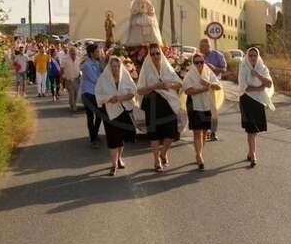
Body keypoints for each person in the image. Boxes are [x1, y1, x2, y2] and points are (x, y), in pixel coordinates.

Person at [137, 43, 182, 172]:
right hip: (152, 104)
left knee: (171, 133)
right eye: (152, 54)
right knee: (154, 134)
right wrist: (154, 86)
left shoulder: (167, 67)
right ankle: (156, 160)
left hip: (168, 103)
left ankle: (163, 153)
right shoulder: (146, 69)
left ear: (161, 54)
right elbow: (140, 90)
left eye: (157, 53)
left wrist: (169, 85)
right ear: (149, 56)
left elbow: (179, 83)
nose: (155, 56)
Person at [95, 56, 137, 175]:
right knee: (112, 138)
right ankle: (113, 165)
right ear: (109, 66)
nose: (116, 68)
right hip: (109, 113)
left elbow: (133, 91)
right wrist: (109, 99)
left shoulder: (125, 76)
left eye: (118, 66)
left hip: (124, 111)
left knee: (120, 138)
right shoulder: (103, 78)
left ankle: (119, 159)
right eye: (113, 66)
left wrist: (121, 98)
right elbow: (98, 94)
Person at [183, 52, 223, 171]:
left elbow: (218, 86)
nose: (199, 64)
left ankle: (199, 153)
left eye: (201, 62)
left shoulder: (208, 72)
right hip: (194, 106)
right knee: (197, 132)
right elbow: (187, 91)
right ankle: (199, 156)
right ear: (193, 63)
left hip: (207, 105)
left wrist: (208, 84)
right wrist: (203, 89)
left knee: (205, 132)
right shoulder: (189, 75)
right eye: (197, 62)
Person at [238, 47, 275, 168]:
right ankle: (253, 154)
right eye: (250, 55)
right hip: (246, 101)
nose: (253, 58)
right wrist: (259, 88)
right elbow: (244, 87)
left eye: (255, 55)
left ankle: (250, 152)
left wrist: (258, 75)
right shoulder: (243, 67)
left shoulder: (262, 68)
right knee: (251, 129)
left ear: (258, 56)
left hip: (259, 101)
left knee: (255, 130)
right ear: (247, 56)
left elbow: (269, 84)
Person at [198, 38, 227, 141]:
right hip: (200, 86)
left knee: (213, 110)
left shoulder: (218, 55)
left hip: (214, 86)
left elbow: (224, 69)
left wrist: (214, 68)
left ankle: (213, 132)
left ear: (208, 46)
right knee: (201, 109)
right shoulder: (198, 56)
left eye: (203, 46)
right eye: (200, 46)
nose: (201, 48)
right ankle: (203, 131)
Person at [81, 43, 104, 149]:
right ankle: (93, 139)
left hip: (96, 93)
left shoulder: (98, 63)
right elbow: (95, 79)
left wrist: (103, 60)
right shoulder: (87, 65)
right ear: (91, 53)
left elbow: (104, 71)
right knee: (90, 116)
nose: (99, 53)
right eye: (97, 51)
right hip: (88, 93)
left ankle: (94, 133)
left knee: (100, 114)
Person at [60, 46, 81, 112]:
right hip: (68, 79)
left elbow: (80, 67)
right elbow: (61, 69)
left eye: (74, 53)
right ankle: (73, 105)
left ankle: (72, 103)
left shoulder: (78, 59)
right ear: (69, 53)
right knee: (71, 93)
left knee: (76, 93)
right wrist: (61, 78)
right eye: (72, 53)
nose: (73, 54)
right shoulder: (65, 59)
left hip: (77, 79)